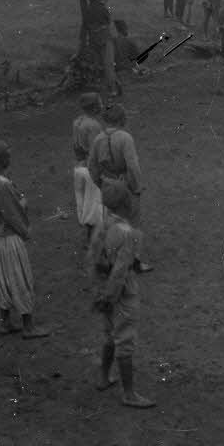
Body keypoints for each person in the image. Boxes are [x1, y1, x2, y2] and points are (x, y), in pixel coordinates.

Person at [89, 181, 155, 409]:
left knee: (109, 334)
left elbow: (94, 260)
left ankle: (103, 377)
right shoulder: (130, 233)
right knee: (125, 338)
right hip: (120, 293)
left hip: (103, 288)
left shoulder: (102, 226)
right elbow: (120, 271)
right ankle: (129, 394)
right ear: (126, 203)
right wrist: (110, 297)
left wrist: (101, 295)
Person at [0, 141, 49, 339]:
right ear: (2, 160)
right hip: (8, 237)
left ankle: (6, 322)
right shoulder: (2, 184)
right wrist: (25, 231)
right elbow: (12, 214)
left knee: (2, 280)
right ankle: (28, 326)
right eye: (7, 155)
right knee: (20, 279)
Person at [88, 103, 153, 273]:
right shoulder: (125, 138)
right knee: (133, 223)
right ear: (122, 119)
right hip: (125, 186)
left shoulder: (98, 139)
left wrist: (101, 183)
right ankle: (135, 261)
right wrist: (136, 186)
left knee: (112, 223)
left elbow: (92, 166)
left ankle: (110, 260)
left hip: (107, 184)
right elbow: (133, 166)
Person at [72, 92, 106, 256]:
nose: (102, 105)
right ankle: (95, 242)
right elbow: (95, 151)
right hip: (91, 169)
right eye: (100, 103)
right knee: (95, 206)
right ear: (94, 108)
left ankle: (88, 239)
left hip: (79, 166)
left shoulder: (78, 121)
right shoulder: (93, 125)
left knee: (85, 204)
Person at [83, 0, 116, 95]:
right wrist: (109, 7)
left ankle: (97, 87)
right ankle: (112, 89)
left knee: (96, 64)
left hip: (93, 40)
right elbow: (109, 19)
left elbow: (86, 25)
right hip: (105, 38)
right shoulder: (102, 7)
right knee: (108, 65)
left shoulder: (87, 10)